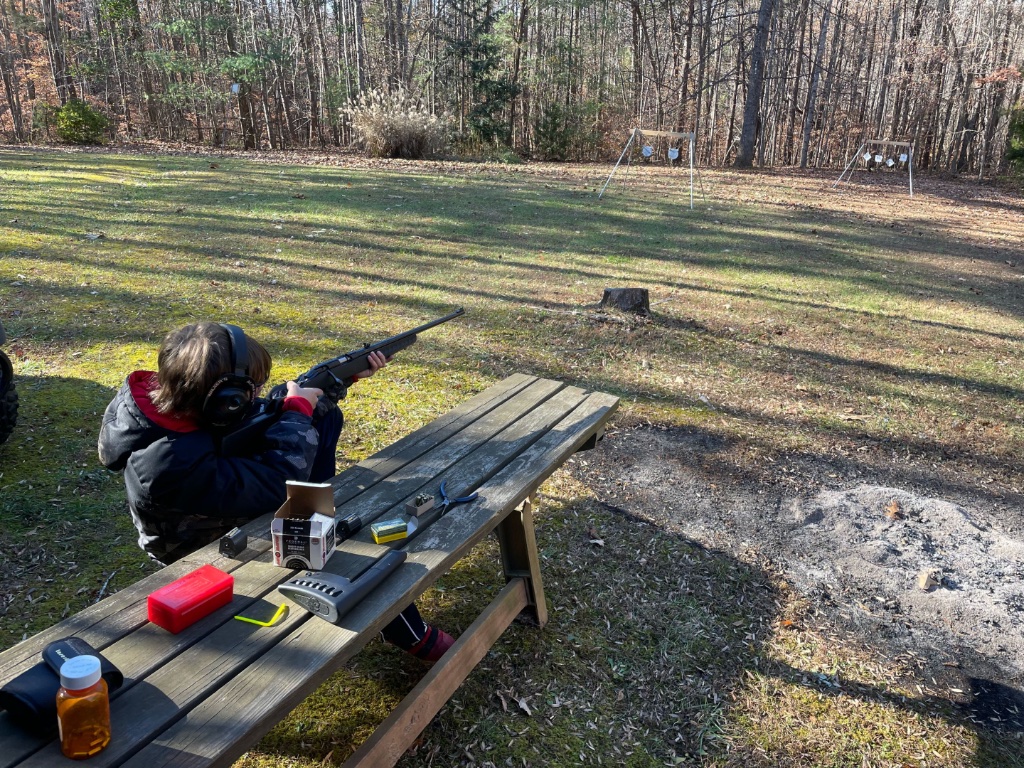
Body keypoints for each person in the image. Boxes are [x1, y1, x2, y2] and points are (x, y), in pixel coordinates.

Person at [97, 321, 454, 661]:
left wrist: (331, 385)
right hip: (198, 544)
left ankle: (321, 510)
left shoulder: (185, 409)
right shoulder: (167, 462)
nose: (255, 395)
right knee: (333, 544)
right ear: (226, 399)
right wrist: (296, 413)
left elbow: (262, 414)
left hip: (221, 508)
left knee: (321, 422)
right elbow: (277, 480)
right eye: (249, 389)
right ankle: (408, 632)